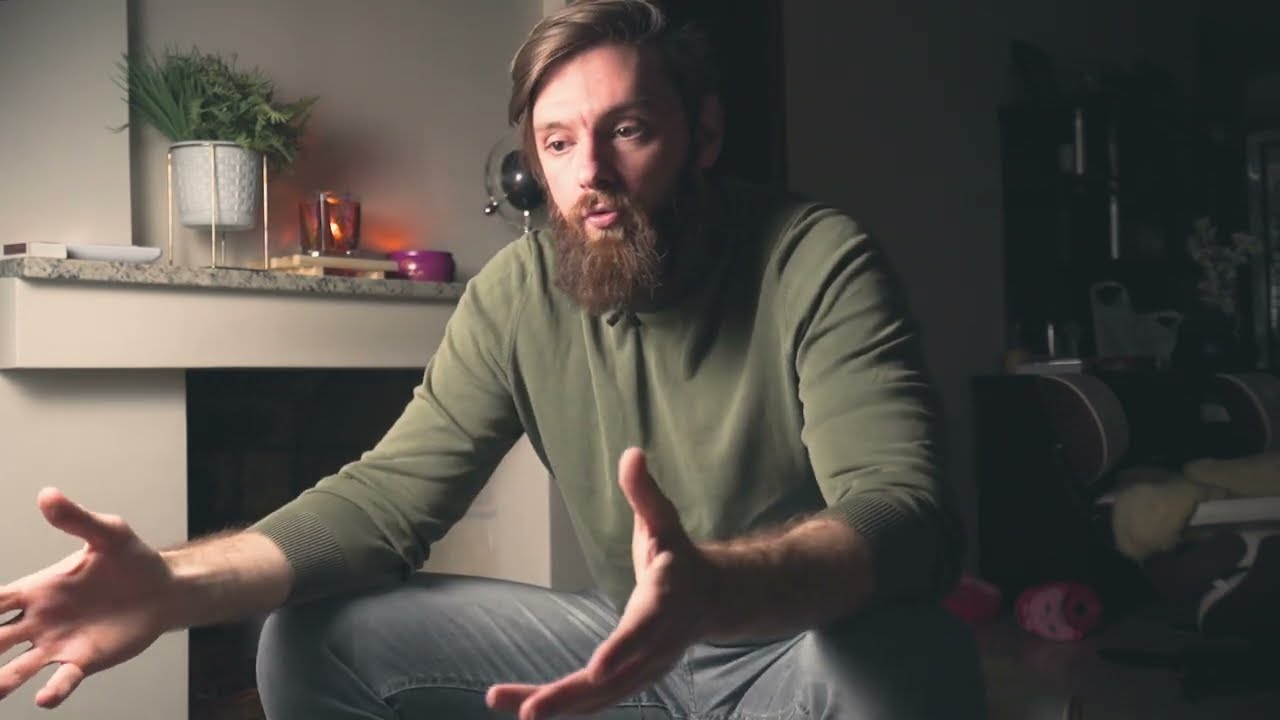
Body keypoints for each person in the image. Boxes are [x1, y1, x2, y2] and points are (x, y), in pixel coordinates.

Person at [0, 1, 986, 717]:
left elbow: (903, 514)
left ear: (705, 134)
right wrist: (172, 586)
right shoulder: (518, 290)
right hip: (623, 648)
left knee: (916, 656)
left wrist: (715, 588)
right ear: (533, 163)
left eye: (628, 130)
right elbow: (385, 500)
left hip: (793, 652)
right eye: (558, 144)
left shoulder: (814, 258)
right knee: (310, 638)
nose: (591, 175)